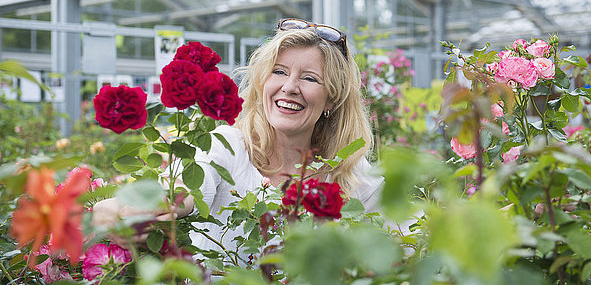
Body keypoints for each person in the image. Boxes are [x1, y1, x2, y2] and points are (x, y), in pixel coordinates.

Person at [93, 18, 384, 254]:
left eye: (309, 78)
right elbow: (190, 187)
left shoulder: (353, 174)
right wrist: (130, 208)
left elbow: (404, 245)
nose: (290, 87)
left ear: (332, 99)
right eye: (279, 72)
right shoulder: (228, 146)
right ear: (262, 81)